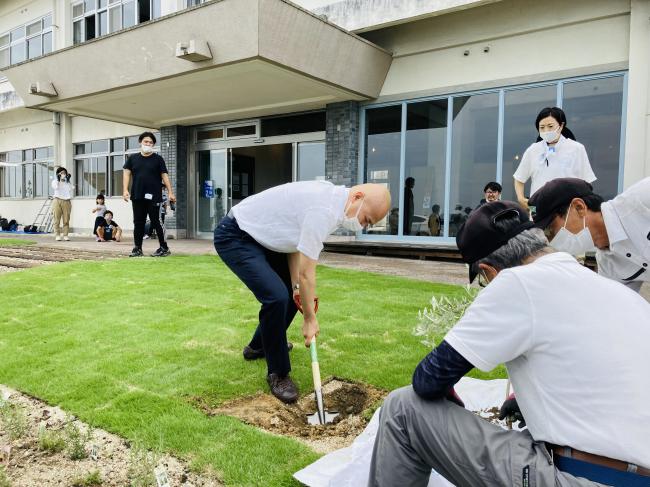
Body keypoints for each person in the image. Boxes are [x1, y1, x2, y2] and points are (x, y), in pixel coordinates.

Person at [368, 200, 650, 487]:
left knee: (403, 408)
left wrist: (446, 392)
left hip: (579, 477)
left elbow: (427, 380)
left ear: (489, 271)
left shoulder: (518, 282)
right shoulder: (617, 292)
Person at [214, 181, 391, 403]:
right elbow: (307, 274)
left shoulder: (334, 204)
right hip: (236, 235)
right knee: (276, 297)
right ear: (357, 197)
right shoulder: (324, 209)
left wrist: (296, 288)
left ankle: (258, 347)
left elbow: (293, 244)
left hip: (266, 239)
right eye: (366, 219)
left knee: (289, 294)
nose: (363, 225)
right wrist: (309, 319)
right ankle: (278, 373)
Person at [528, 177, 650, 293]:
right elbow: (623, 305)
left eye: (550, 230)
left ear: (579, 208)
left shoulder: (642, 198)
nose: (550, 240)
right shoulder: (608, 267)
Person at [513, 107, 596, 211]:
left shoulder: (576, 148)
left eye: (550, 126)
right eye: (542, 127)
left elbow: (587, 182)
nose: (546, 130)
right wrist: (521, 199)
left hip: (567, 209)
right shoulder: (533, 149)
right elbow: (519, 177)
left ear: (561, 126)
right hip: (538, 209)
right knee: (537, 227)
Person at [122, 131, 176, 257]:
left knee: (156, 221)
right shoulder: (133, 158)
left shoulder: (158, 159)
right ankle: (137, 248)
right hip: (137, 195)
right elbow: (126, 173)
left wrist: (170, 192)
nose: (148, 144)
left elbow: (164, 175)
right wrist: (125, 190)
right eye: (146, 141)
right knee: (138, 222)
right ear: (140, 142)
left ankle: (164, 248)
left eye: (151, 142)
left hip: (155, 196)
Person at [51, 167, 73, 241]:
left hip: (67, 201)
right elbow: (55, 187)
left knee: (66, 219)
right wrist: (58, 179)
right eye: (61, 173)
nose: (63, 174)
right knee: (56, 219)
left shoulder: (67, 182)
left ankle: (65, 235)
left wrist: (68, 180)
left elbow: (71, 189)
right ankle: (57, 235)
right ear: (58, 174)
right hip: (57, 200)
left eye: (64, 173)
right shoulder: (55, 181)